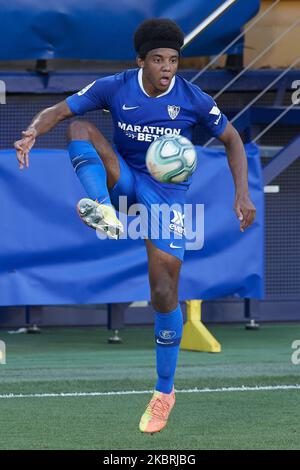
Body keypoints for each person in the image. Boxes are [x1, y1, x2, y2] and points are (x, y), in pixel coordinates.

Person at [14, 18, 256, 434]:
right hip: (124, 179)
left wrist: (243, 193)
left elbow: (233, 139)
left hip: (166, 197)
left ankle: (164, 392)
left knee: (164, 291)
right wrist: (32, 132)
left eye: (174, 60)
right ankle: (102, 207)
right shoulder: (116, 86)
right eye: (159, 59)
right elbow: (60, 111)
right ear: (141, 60)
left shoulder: (193, 98)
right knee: (81, 128)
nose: (167, 68)